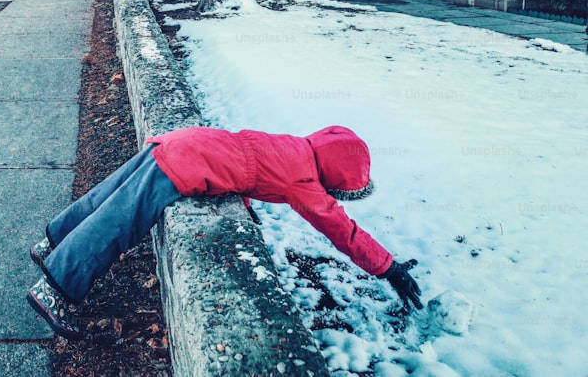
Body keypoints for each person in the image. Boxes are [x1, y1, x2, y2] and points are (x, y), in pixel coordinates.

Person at [26, 125, 422, 340]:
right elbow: (342, 230)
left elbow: (247, 165)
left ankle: (53, 242)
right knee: (119, 224)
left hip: (185, 140)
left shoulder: (293, 147)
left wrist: (247, 209)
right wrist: (388, 268)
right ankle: (56, 288)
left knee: (110, 195)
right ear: (336, 179)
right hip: (186, 166)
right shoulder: (304, 182)